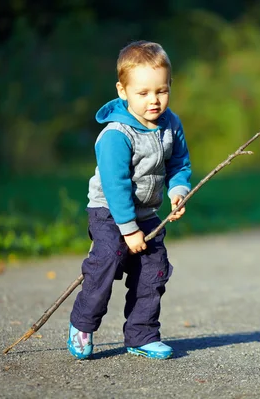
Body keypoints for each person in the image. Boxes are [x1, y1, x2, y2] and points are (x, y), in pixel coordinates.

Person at [67, 41, 191, 360]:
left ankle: (142, 334)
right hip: (111, 211)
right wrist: (127, 228)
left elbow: (179, 164)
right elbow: (115, 185)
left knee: (154, 270)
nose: (154, 100)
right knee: (107, 261)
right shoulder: (116, 135)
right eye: (143, 93)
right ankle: (83, 324)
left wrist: (178, 191)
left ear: (170, 86)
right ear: (123, 90)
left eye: (161, 91)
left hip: (147, 213)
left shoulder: (171, 124)